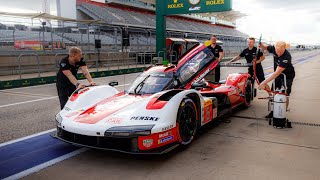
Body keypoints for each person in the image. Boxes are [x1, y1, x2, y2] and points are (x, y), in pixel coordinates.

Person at [258, 41, 295, 118]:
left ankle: (282, 113)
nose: (278, 54)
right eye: (277, 52)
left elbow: (276, 73)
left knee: (285, 94)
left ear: (284, 48)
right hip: (278, 75)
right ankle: (273, 111)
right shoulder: (274, 48)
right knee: (275, 92)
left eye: (280, 52)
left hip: (287, 76)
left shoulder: (286, 57)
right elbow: (266, 47)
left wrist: (264, 83)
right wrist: (261, 45)